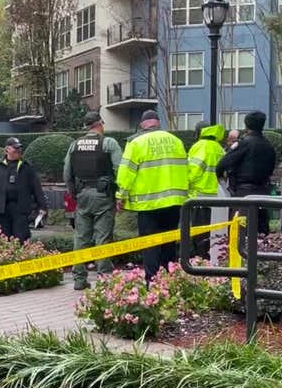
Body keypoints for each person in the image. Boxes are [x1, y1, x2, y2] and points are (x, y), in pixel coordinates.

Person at [116, 110, 188, 284]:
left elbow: (126, 172)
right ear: (158, 123)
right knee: (169, 242)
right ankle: (169, 278)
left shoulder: (136, 142)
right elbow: (187, 169)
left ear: (142, 125)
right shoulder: (176, 141)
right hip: (174, 202)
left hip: (149, 204)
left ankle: (152, 281)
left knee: (150, 243)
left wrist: (121, 196)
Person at [63, 111, 123, 290]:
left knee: (81, 238)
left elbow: (67, 173)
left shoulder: (74, 145)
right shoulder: (108, 143)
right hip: (103, 196)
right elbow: (119, 169)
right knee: (103, 238)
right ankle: (105, 279)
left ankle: (79, 280)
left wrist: (74, 193)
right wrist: (120, 193)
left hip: (82, 195)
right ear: (100, 124)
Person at [215, 111, 276, 236]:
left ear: (246, 126)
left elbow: (222, 164)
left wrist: (223, 180)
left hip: (244, 193)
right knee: (261, 231)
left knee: (240, 232)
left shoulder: (244, 143)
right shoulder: (269, 146)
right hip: (263, 192)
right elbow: (271, 169)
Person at [0, 137, 47, 243]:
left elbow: (36, 187)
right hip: (3, 208)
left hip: (20, 208)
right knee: (5, 238)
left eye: (19, 149)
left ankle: (21, 258)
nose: (18, 151)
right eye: (15, 148)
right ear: (7, 149)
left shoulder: (26, 166)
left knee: (20, 237)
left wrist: (42, 206)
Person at [187, 121, 227, 258]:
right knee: (214, 236)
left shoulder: (199, 146)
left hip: (199, 198)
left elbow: (192, 172)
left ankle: (199, 263)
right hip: (217, 198)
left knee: (199, 235)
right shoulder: (218, 147)